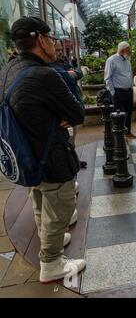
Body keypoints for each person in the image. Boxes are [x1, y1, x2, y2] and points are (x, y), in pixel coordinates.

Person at [0, 16, 85, 283]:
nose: (54, 45)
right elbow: (77, 113)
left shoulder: (7, 69)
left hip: (25, 154)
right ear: (40, 40)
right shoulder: (44, 75)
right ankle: (52, 262)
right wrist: (60, 114)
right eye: (51, 39)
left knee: (39, 199)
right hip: (51, 157)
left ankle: (51, 239)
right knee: (59, 207)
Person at [50, 40, 87, 169]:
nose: (60, 52)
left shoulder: (63, 61)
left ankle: (74, 161)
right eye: (57, 50)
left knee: (72, 139)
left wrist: (73, 72)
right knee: (68, 141)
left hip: (73, 105)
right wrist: (71, 74)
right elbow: (68, 78)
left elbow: (79, 72)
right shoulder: (50, 66)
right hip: (64, 110)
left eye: (61, 50)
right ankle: (72, 165)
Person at [104, 41, 136, 138]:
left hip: (128, 91)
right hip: (118, 92)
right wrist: (113, 92)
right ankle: (115, 135)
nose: (130, 51)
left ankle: (127, 132)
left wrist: (131, 88)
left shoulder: (127, 59)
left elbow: (129, 74)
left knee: (128, 112)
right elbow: (107, 78)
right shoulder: (111, 60)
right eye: (129, 49)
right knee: (116, 114)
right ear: (123, 50)